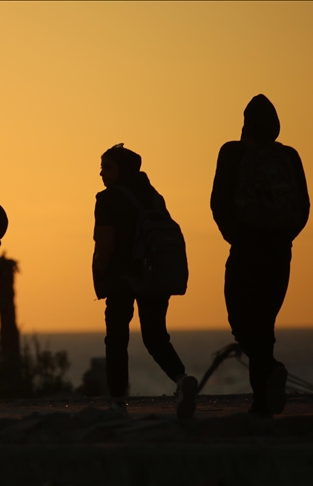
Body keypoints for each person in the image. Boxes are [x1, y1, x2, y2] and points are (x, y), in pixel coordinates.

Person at [211, 94, 310, 417]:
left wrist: (237, 237)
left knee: (241, 323)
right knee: (264, 326)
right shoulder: (290, 156)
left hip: (245, 250)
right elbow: (304, 208)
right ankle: (262, 402)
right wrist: (283, 238)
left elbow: (219, 202)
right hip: (281, 254)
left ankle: (269, 370)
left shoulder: (233, 152)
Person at [93, 143, 199, 419]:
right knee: (155, 336)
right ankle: (180, 378)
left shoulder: (107, 199)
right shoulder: (153, 196)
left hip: (121, 277)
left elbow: (105, 242)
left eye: (107, 167)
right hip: (153, 275)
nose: (101, 173)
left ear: (121, 169)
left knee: (116, 338)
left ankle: (117, 400)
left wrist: (102, 273)